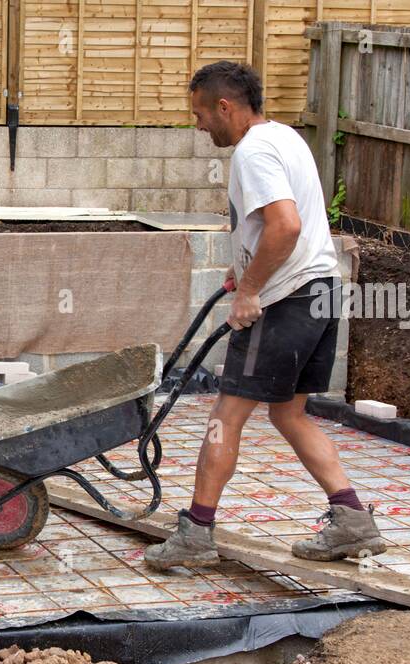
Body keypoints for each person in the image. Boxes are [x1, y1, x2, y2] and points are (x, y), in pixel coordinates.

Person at [145, 61, 387, 571]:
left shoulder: (252, 153)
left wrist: (251, 290)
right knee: (289, 413)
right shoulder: (285, 137)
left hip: (283, 302)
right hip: (321, 291)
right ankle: (353, 522)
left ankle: (196, 534)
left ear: (225, 107)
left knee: (224, 418)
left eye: (201, 115)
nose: (199, 126)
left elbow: (285, 224)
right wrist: (244, 271)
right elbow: (279, 228)